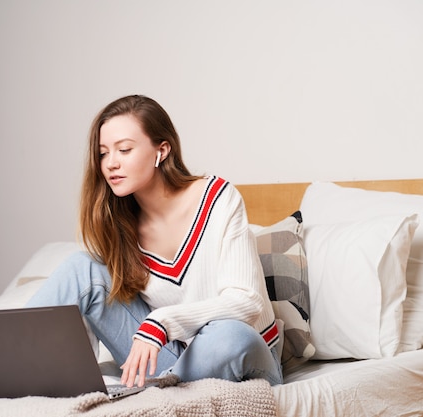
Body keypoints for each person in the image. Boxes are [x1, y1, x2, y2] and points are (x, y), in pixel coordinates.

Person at [26, 94, 282, 388]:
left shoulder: (218, 199)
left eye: (123, 149)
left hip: (242, 357)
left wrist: (161, 323)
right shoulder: (120, 225)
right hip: (170, 363)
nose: (110, 163)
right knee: (80, 268)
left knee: (229, 334)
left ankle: (156, 392)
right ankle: (8, 366)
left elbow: (246, 302)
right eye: (102, 153)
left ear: (161, 151)